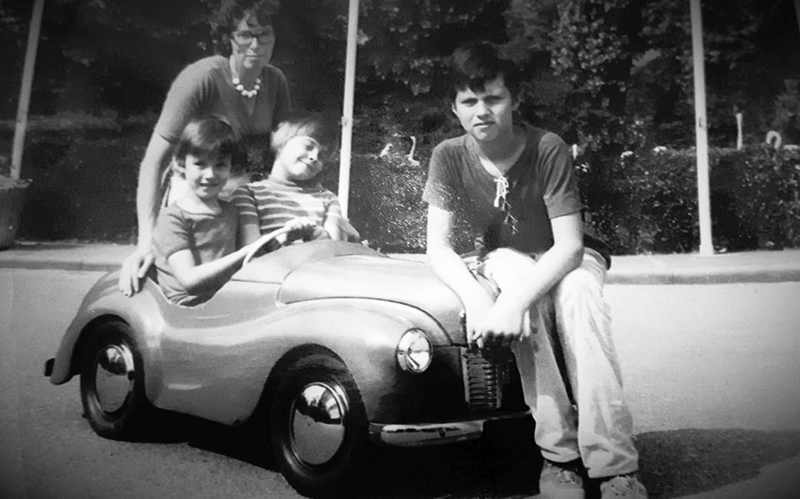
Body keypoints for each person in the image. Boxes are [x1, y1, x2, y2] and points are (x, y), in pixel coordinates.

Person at [423, 41, 647, 499]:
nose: (482, 111)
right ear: (454, 107)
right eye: (469, 101)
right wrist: (479, 300)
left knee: (578, 294)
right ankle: (558, 457)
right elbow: (438, 248)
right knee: (517, 288)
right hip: (504, 256)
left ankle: (614, 464)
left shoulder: (547, 147)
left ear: (515, 99)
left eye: (493, 98)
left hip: (567, 257)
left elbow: (570, 246)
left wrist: (513, 303)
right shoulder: (447, 155)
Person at [119, 0, 291, 296]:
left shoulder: (276, 82)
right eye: (245, 35)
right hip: (193, 190)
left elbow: (285, 153)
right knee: (197, 286)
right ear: (229, 38)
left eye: (264, 34)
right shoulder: (201, 78)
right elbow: (153, 162)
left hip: (242, 196)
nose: (255, 44)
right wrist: (146, 241)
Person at [152, 117, 269, 306]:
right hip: (189, 307)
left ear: (231, 167)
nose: (210, 174)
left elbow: (250, 263)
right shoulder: (173, 217)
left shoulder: (232, 211)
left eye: (220, 165)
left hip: (225, 300)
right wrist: (245, 252)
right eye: (200, 164)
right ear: (181, 164)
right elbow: (190, 281)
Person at [232, 113, 357, 249]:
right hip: (271, 262)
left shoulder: (328, 199)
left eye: (322, 155)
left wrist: (319, 235)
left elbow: (334, 250)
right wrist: (282, 238)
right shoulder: (249, 194)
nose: (314, 157)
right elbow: (248, 250)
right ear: (281, 142)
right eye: (308, 146)